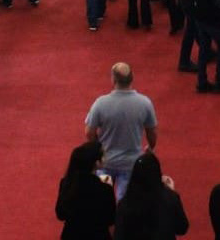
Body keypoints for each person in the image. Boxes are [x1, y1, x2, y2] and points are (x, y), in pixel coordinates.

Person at [85, 62, 158, 200]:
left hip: (105, 161)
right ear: (132, 77)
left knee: (101, 201)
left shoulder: (100, 103)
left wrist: (98, 148)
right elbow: (152, 132)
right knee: (125, 203)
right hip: (131, 163)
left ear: (113, 79)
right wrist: (151, 147)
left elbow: (89, 132)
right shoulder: (144, 103)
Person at [114, 152, 190, 240]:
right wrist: (171, 193)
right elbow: (182, 228)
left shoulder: (125, 204)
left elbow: (119, 235)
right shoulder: (170, 199)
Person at [55, 141, 117, 240]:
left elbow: (60, 214)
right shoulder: (105, 189)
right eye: (103, 156)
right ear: (97, 163)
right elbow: (110, 219)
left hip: (71, 235)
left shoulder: (67, 183)